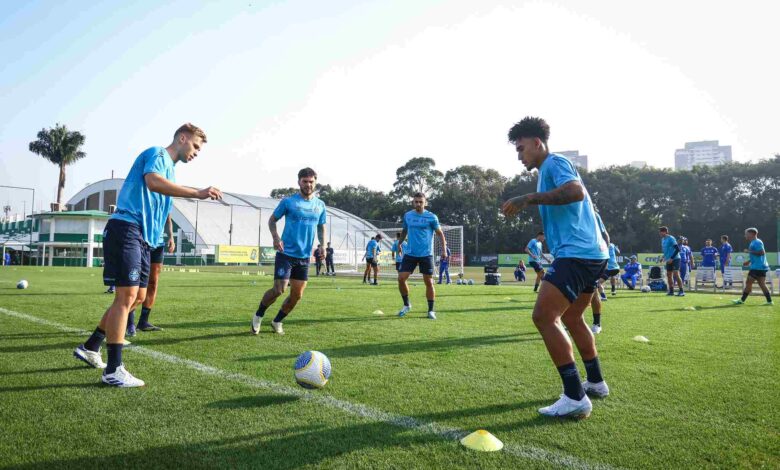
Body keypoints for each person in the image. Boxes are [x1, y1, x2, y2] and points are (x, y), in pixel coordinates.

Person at [74, 123, 222, 387]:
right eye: (196, 146)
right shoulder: (157, 154)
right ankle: (113, 369)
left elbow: (161, 202)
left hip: (143, 238)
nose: (197, 153)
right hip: (126, 228)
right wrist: (198, 193)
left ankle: (91, 346)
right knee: (126, 297)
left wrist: (162, 237)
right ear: (182, 138)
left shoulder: (171, 171)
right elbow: (153, 182)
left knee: (138, 297)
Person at [502, 116, 609, 419]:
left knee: (544, 317)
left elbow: (574, 191)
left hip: (578, 254)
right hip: (591, 253)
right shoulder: (547, 170)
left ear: (538, 143)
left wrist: (528, 198)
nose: (520, 156)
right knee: (573, 317)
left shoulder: (553, 163)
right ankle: (596, 382)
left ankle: (575, 396)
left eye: (521, 149)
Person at [251, 168, 326, 336]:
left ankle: (277, 321)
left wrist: (322, 244)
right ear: (299, 182)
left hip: (304, 257)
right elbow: (272, 220)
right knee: (279, 290)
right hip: (286, 254)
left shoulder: (320, 205)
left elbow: (321, 226)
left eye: (311, 181)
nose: (308, 184)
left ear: (315, 182)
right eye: (305, 181)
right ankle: (259, 314)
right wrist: (276, 237)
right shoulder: (288, 202)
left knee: (296, 296)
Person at [397, 192, 447, 320]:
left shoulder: (431, 217)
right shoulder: (408, 216)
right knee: (401, 278)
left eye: (421, 201)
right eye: (416, 201)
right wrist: (399, 243)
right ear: (413, 202)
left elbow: (440, 234)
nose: (418, 204)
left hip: (426, 254)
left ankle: (431, 310)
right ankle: (407, 304)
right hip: (410, 253)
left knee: (429, 282)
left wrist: (444, 250)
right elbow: (404, 231)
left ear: (425, 203)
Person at [126, 214, 175, 336]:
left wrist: (171, 237)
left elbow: (168, 220)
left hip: (158, 244)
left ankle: (143, 322)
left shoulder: (168, 198)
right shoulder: (146, 196)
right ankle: (129, 323)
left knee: (153, 282)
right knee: (135, 283)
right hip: (142, 242)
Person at [732, 228, 773, 306]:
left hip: (757, 267)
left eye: (746, 234)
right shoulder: (753, 242)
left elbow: (762, 252)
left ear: (752, 234)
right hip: (760, 267)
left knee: (748, 282)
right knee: (762, 284)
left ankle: (742, 300)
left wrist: (749, 251)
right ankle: (769, 301)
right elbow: (756, 255)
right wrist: (749, 261)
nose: (745, 236)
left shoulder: (757, 242)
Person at [660, 226, 684, 296]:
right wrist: (663, 257)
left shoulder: (671, 238)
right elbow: (666, 250)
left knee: (676, 274)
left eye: (661, 231)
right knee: (669, 275)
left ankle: (681, 291)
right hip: (668, 259)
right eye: (660, 231)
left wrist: (672, 258)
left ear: (665, 232)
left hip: (675, 258)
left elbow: (677, 249)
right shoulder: (662, 240)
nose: (660, 233)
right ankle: (671, 291)